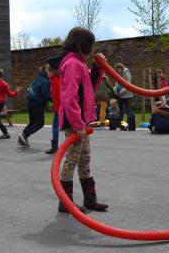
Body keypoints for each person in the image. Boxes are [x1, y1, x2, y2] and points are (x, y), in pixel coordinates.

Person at [48, 27, 108, 213]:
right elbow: (69, 96)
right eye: (90, 43)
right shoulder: (72, 63)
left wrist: (98, 68)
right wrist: (77, 123)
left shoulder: (79, 63)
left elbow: (90, 84)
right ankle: (66, 202)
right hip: (76, 122)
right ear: (83, 44)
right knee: (72, 159)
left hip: (83, 122)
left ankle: (90, 199)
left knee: (84, 159)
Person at [18, 66, 51, 148]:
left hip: (30, 103)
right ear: (47, 72)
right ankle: (25, 134)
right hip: (37, 104)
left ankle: (22, 138)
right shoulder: (45, 81)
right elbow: (45, 94)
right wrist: (54, 100)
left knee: (33, 122)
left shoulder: (36, 79)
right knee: (40, 123)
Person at [45, 65, 60, 154]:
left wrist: (55, 108)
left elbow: (57, 97)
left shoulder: (54, 81)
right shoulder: (58, 79)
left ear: (52, 72)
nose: (47, 74)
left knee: (55, 127)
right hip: (60, 107)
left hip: (59, 108)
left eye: (48, 72)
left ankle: (54, 147)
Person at [113, 63, 134, 128]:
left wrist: (120, 93)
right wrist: (115, 90)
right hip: (120, 94)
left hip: (126, 94)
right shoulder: (118, 74)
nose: (117, 72)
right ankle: (120, 123)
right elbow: (116, 83)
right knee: (120, 109)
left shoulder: (126, 72)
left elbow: (128, 84)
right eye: (116, 71)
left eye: (118, 70)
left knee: (127, 109)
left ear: (120, 68)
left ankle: (129, 123)